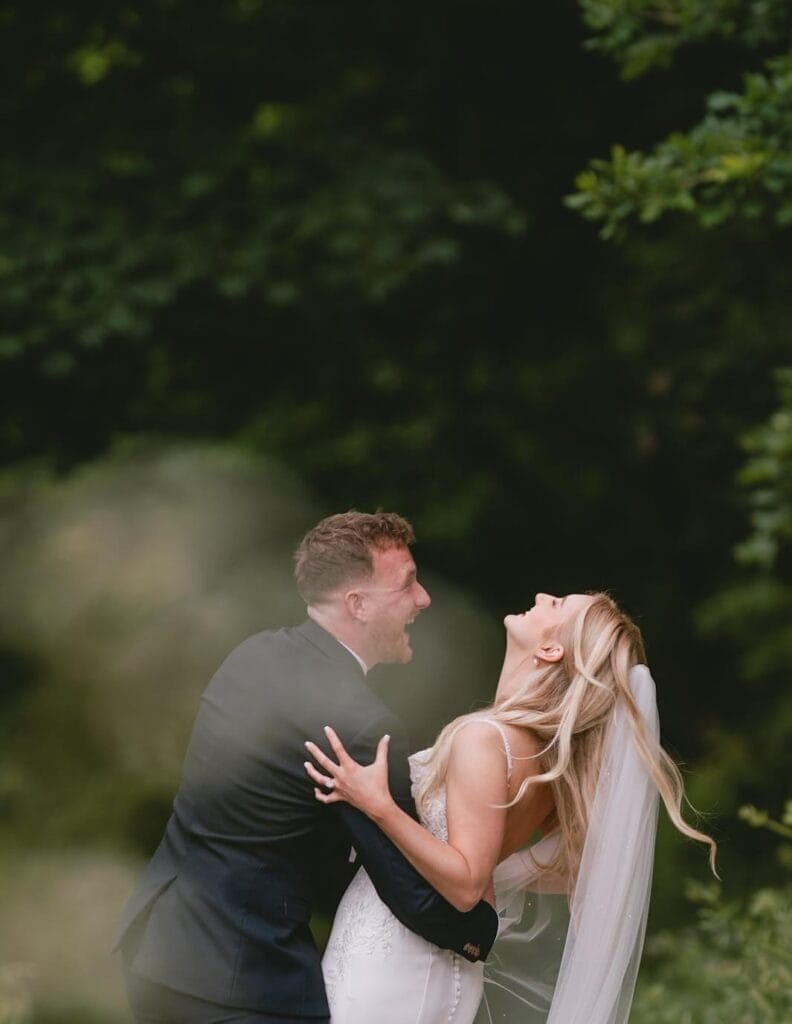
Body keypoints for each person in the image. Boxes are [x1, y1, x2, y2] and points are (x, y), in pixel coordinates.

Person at [113, 510, 498, 1024]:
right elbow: (412, 894)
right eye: (407, 584)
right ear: (357, 604)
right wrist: (485, 930)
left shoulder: (250, 656)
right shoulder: (359, 725)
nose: (423, 598)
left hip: (159, 949)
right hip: (242, 983)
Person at [306, 591, 718, 1024]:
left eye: (557, 604)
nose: (541, 596)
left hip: (397, 962)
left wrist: (378, 805)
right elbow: (565, 866)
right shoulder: (546, 764)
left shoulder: (485, 739)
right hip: (433, 964)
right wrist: (496, 877)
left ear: (550, 649)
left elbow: (466, 885)